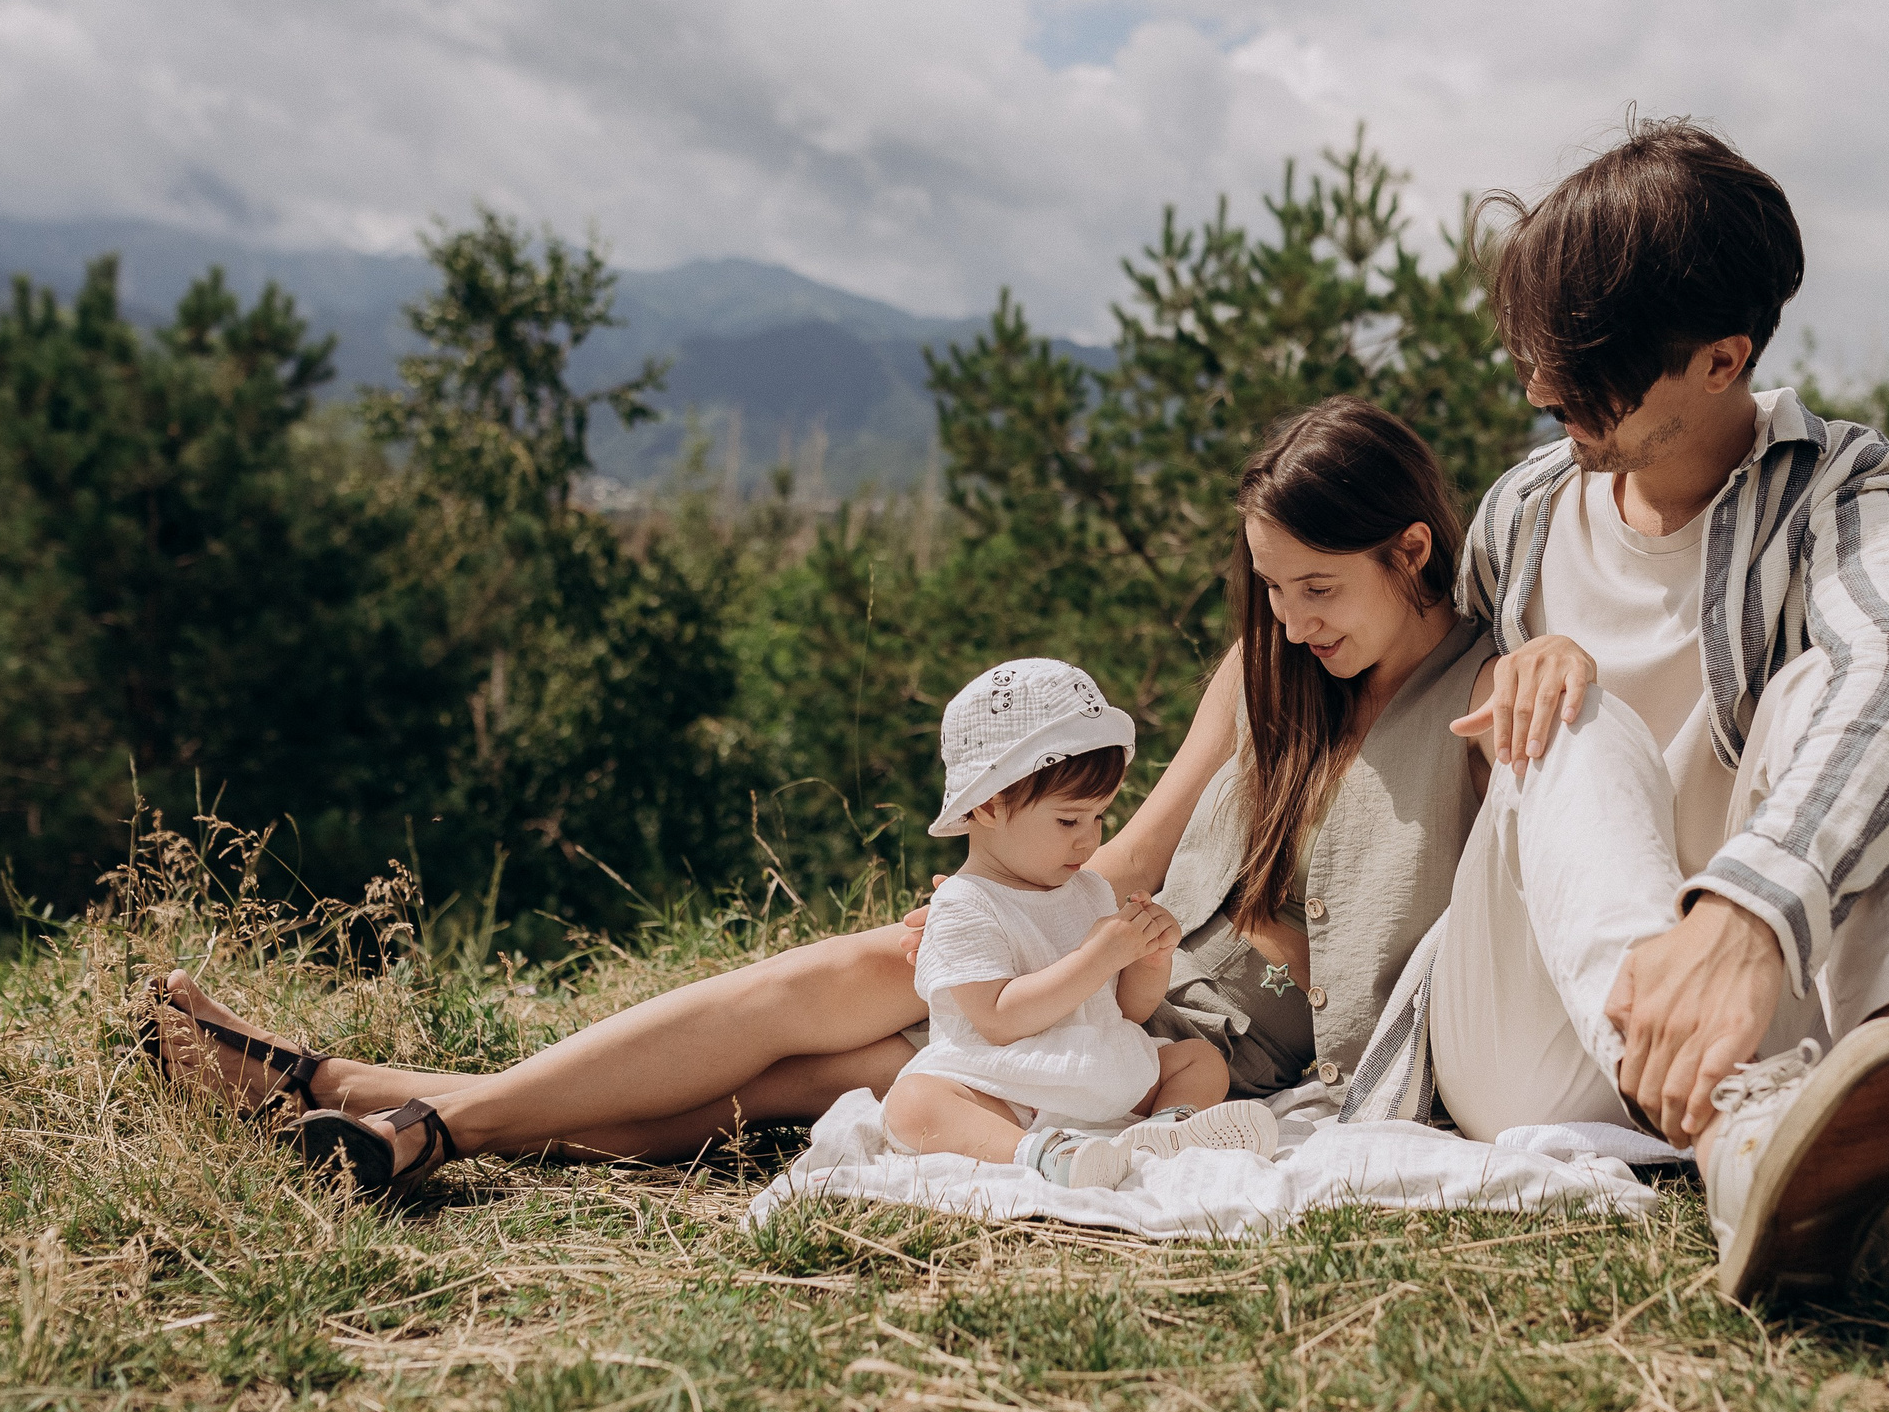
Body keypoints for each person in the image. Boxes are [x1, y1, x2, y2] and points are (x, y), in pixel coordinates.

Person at [142, 399, 1510, 1190]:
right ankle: (401, 1114)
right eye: (1270, 589)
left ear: (1414, 548)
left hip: (1219, 1041)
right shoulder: (1265, 664)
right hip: (1102, 964)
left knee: (831, 1074)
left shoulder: (1484, 696)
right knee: (860, 977)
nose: (1291, 619)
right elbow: (1132, 855)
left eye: (1318, 589)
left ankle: (369, 1098)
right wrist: (1004, 910)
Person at [1341, 116, 1889, 1307]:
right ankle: (1737, 1143)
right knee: (1564, 701)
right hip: (1536, 1029)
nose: (1545, 390)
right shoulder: (1518, 518)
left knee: (1849, 690)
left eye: (1586, 367)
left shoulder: (1852, 492)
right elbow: (1351, 675)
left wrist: (1746, 912)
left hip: (1783, 999)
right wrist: (1519, 670)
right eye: (1534, 357)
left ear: (1721, 359)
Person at [876, 658, 1279, 1190]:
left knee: (1200, 1059)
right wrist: (1098, 955)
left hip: (1096, 1065)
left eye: (1099, 818)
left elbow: (1128, 1012)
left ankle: (1167, 1131)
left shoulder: (1085, 888)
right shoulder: (962, 904)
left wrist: (1148, 960)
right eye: (1069, 820)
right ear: (992, 806)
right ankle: (1037, 1152)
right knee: (913, 1104)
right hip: (1007, 1085)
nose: (1089, 840)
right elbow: (997, 1019)